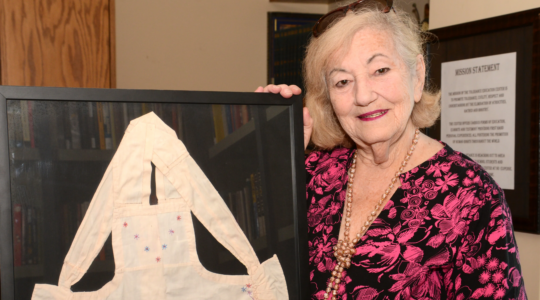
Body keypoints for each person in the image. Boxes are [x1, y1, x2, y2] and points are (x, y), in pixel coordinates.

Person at [256, 0, 527, 299]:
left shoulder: (472, 195)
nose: (363, 95)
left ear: (418, 75)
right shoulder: (312, 173)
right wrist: (270, 152)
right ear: (328, 98)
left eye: (380, 69)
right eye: (342, 81)